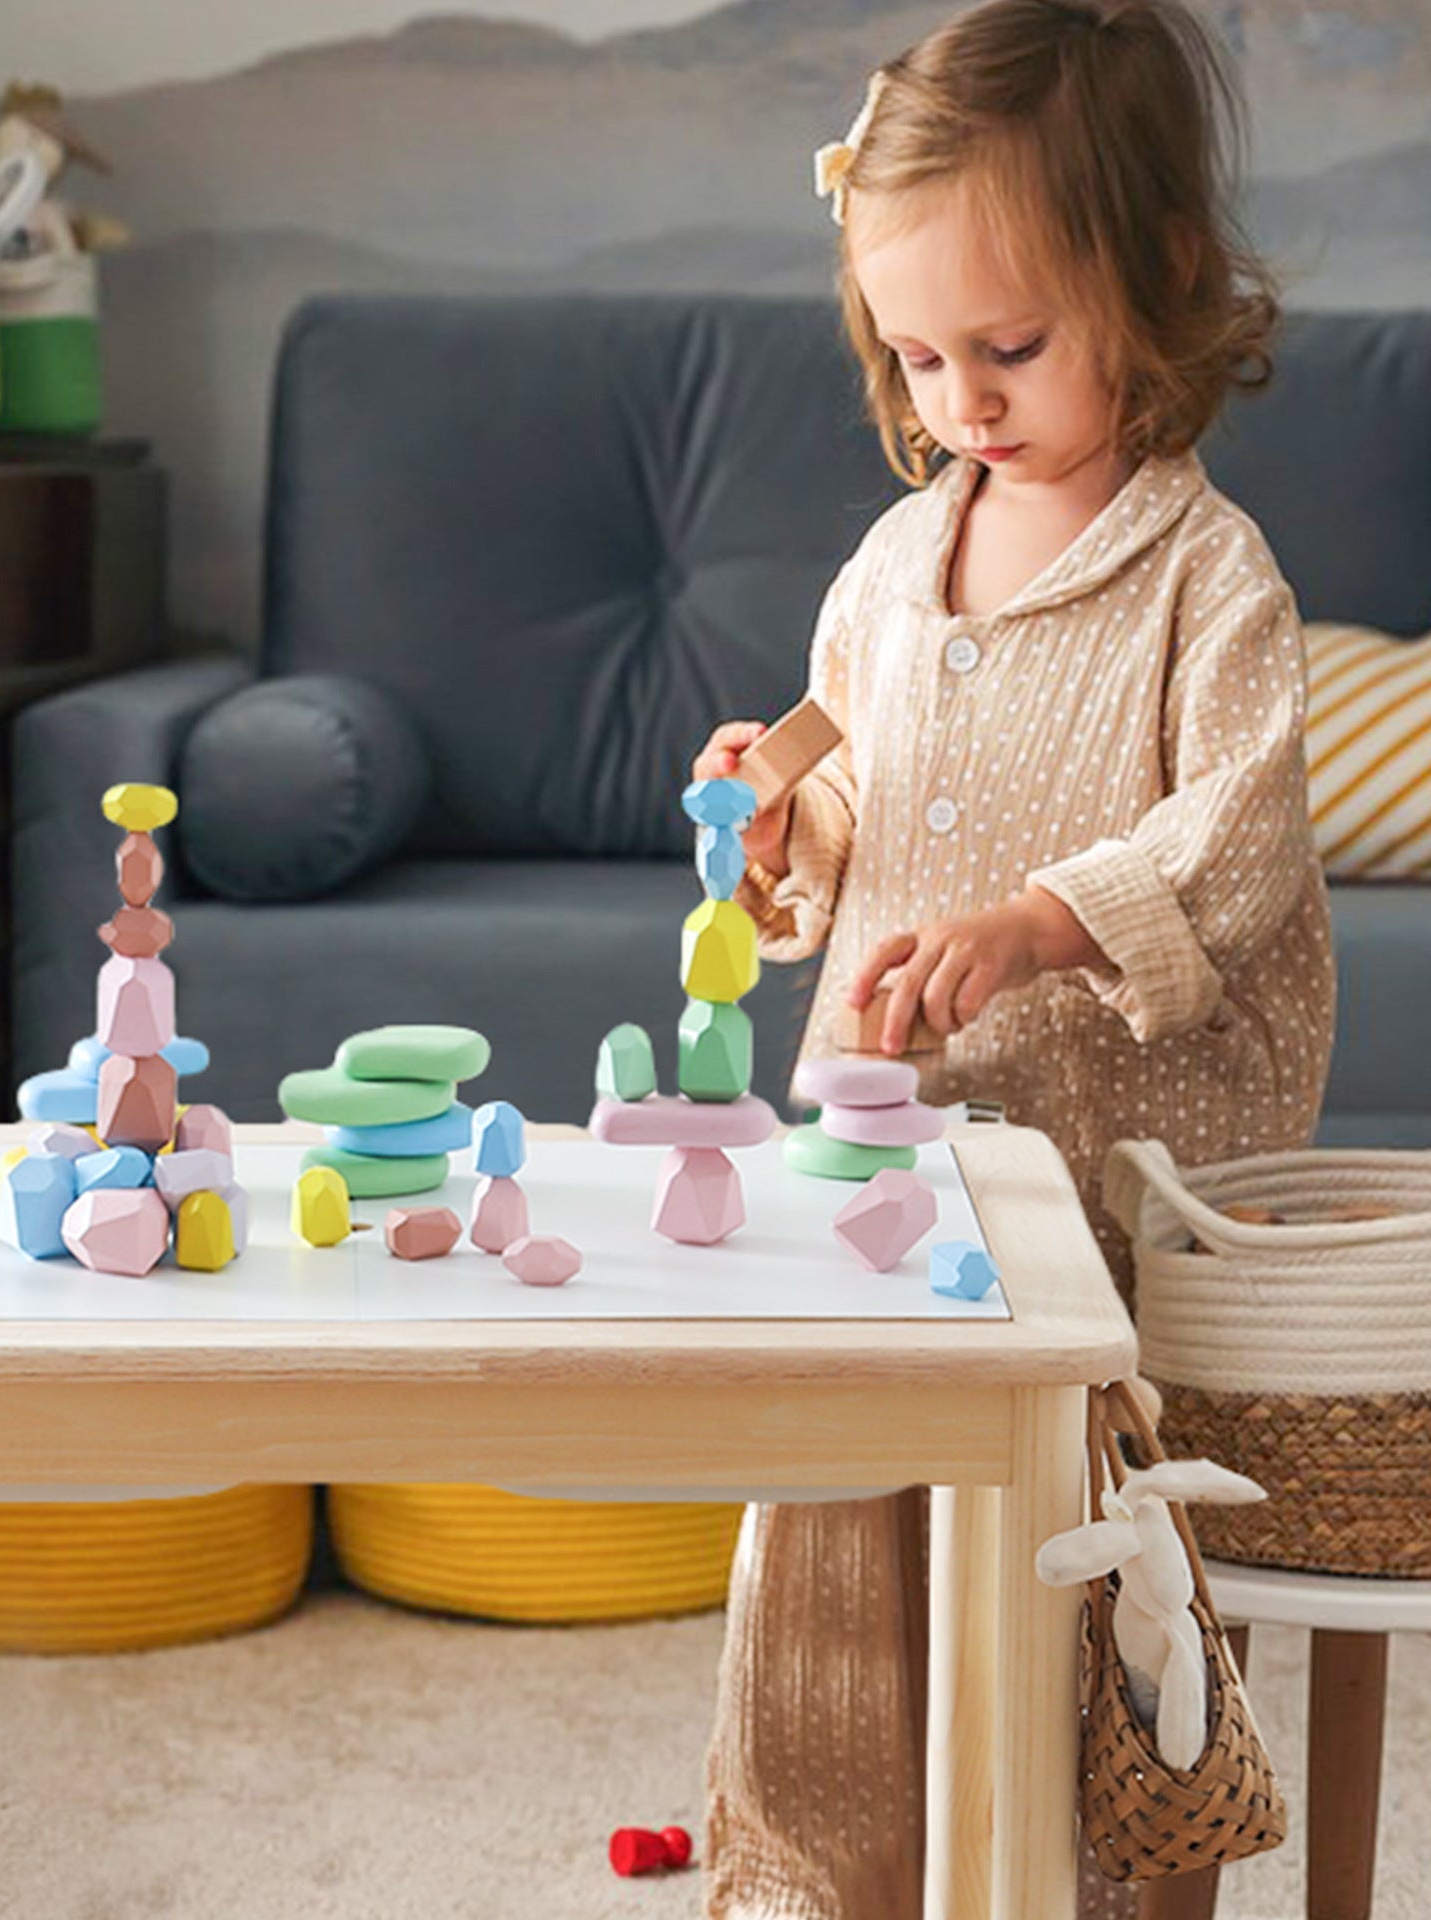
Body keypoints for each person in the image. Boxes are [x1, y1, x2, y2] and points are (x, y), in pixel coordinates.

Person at [691, 3, 1334, 1913]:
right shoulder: (894, 567)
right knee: (839, 1529)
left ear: (1159, 284)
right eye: (914, 353)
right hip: (890, 1166)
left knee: (1087, 1560)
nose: (959, 396)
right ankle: (832, 1868)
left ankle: (1108, 1881)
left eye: (1010, 347)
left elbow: (1239, 842)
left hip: (1099, 1186)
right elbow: (844, 802)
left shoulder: (1208, 584)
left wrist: (1050, 917)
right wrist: (771, 811)